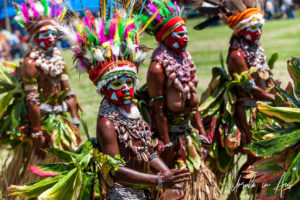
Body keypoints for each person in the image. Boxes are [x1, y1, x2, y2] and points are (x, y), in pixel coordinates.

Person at [56, 4, 191, 199]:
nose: (126, 88)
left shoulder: (133, 110)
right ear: (103, 88)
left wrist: (169, 175)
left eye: (129, 82)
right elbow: (116, 170)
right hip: (122, 193)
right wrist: (158, 180)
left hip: (144, 188)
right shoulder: (107, 123)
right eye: (117, 84)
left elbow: (148, 153)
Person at [133, 0, 220, 199]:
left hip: (187, 133)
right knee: (176, 188)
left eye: (186, 32)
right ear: (165, 37)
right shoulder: (157, 67)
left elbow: (194, 105)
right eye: (179, 34)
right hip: (169, 136)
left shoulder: (184, 59)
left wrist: (202, 132)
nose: (185, 38)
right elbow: (158, 109)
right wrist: (167, 145)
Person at [0, 0, 81, 198]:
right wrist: (36, 133)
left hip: (61, 121)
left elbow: (69, 93)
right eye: (46, 35)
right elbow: (32, 101)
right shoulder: (30, 62)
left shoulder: (57, 58)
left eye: (54, 34)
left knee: (66, 162)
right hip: (43, 123)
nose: (51, 38)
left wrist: (75, 120)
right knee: (42, 162)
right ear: (35, 36)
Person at [218, 1, 275, 199]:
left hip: (264, 107)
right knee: (255, 154)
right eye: (253, 28)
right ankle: (237, 193)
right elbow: (250, 87)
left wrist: (276, 92)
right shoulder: (236, 55)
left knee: (265, 153)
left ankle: (261, 191)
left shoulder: (256, 49)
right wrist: (273, 99)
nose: (258, 32)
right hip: (249, 108)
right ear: (241, 30)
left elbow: (266, 77)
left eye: (260, 27)